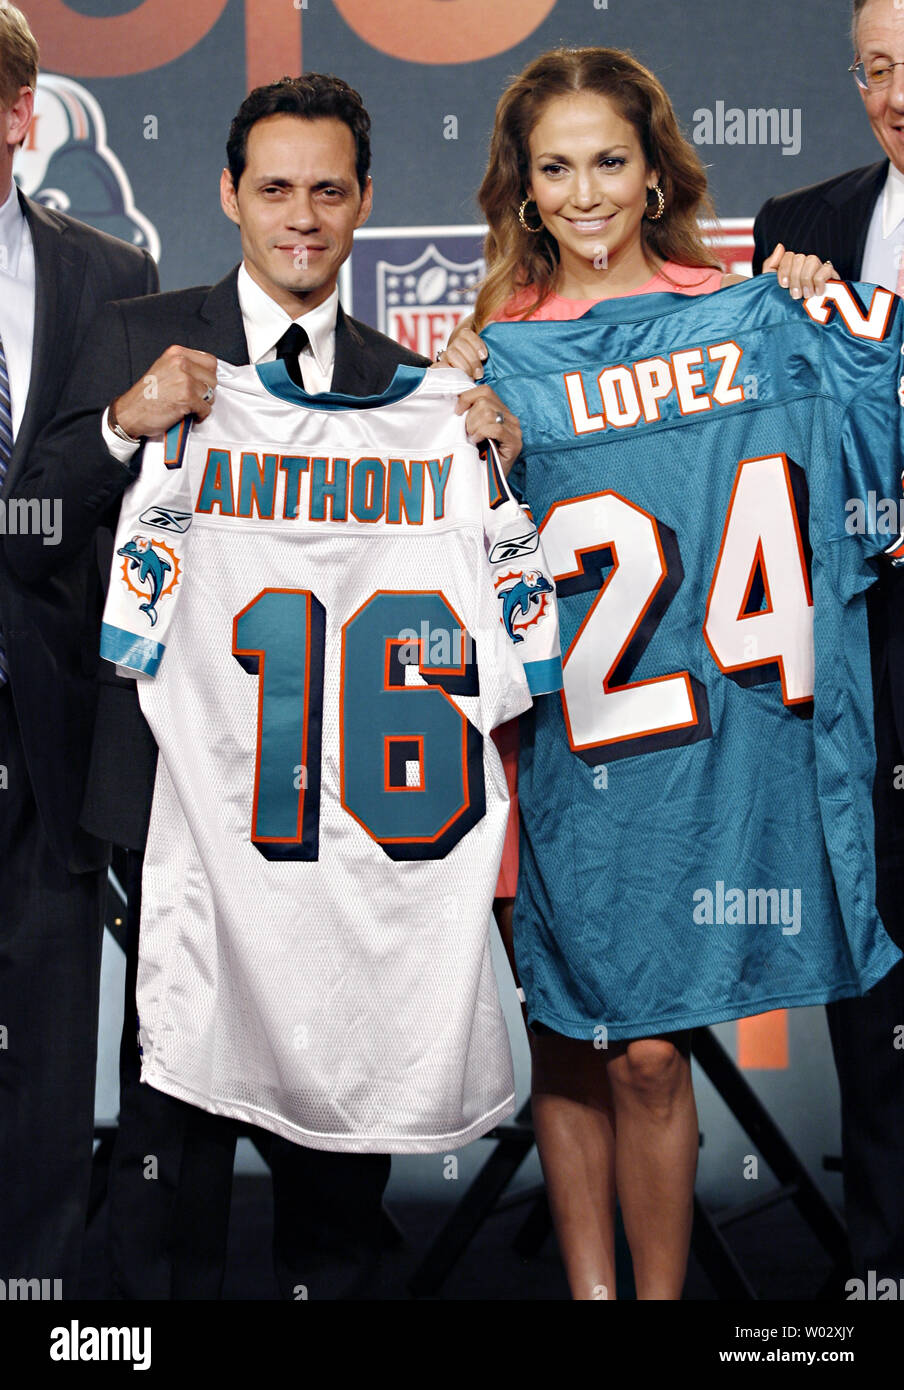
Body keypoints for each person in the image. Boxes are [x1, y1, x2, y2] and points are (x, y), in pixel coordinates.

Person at [7, 71, 517, 1301]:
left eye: (329, 191)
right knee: (169, 1125)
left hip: (347, 827)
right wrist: (127, 425)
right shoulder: (139, 326)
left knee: (330, 1145)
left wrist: (492, 453)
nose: (302, 216)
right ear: (228, 194)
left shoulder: (417, 391)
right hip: (176, 797)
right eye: (276, 188)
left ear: (364, 205)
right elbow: (30, 527)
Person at [440, 46, 844, 1301]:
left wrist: (808, 313)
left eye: (608, 160)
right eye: (554, 167)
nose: (584, 192)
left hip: (692, 754)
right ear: (521, 185)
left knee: (650, 1056)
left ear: (653, 170)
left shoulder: (744, 313)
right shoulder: (489, 346)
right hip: (543, 749)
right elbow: (453, 573)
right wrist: (471, 446)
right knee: (567, 1037)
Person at [0, 2, 158, 1296]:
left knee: (50, 1030)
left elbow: (126, 498)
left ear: (18, 113)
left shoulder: (110, 275)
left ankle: (35, 1288)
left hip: (49, 710)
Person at [751, 0, 904, 1285]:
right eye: (876, 67)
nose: (896, 90)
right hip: (859, 652)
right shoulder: (797, 229)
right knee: (875, 967)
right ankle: (885, 1263)